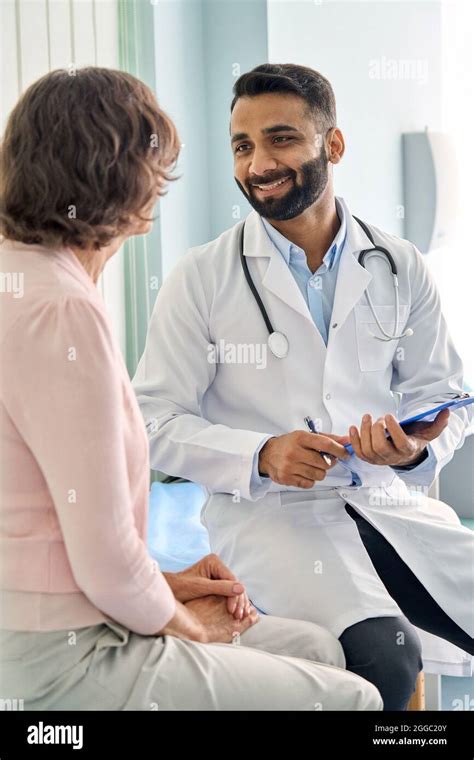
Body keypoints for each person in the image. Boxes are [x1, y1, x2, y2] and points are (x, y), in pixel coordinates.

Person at [0, 66, 383, 712]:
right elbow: (106, 562)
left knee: (317, 650)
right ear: (127, 181)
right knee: (355, 700)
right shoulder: (64, 311)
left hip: (46, 623)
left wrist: (166, 583)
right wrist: (186, 624)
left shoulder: (22, 278)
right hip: (73, 653)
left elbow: (54, 531)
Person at [133, 63, 474, 711]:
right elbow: (152, 424)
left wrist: (411, 452)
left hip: (387, 501)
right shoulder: (201, 277)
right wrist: (260, 453)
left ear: (332, 146)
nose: (258, 162)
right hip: (269, 515)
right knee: (387, 658)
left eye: (281, 139)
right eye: (242, 146)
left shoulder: (401, 266)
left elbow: (448, 399)